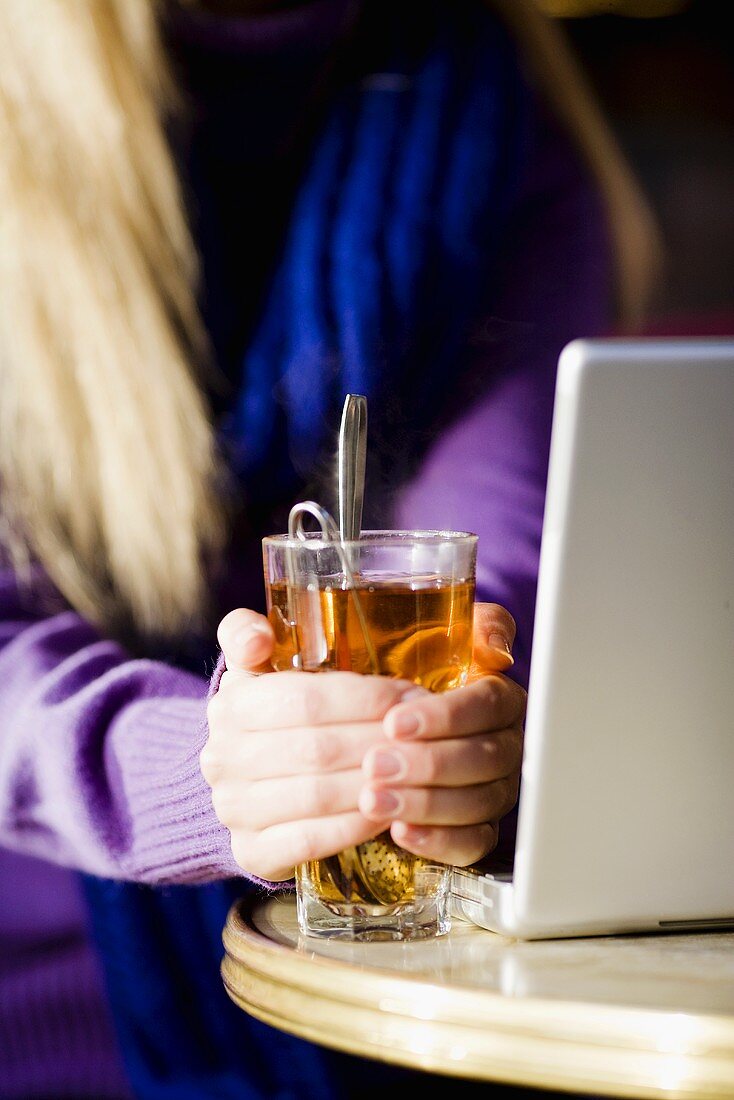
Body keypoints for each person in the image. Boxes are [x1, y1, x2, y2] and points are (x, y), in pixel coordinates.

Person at [0, 0, 659, 1096]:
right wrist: (207, 772)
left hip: (423, 980)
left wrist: (449, 737)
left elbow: (491, 574)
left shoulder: (499, 121)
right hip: (48, 997)